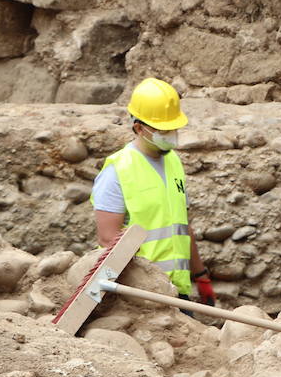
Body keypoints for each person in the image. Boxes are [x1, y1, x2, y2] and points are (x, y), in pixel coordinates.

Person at [90, 77, 215, 307]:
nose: (171, 134)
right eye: (164, 129)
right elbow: (108, 239)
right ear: (139, 127)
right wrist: (143, 287)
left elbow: (182, 227)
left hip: (177, 291)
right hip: (139, 296)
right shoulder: (118, 169)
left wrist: (200, 275)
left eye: (174, 127)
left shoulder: (174, 163)